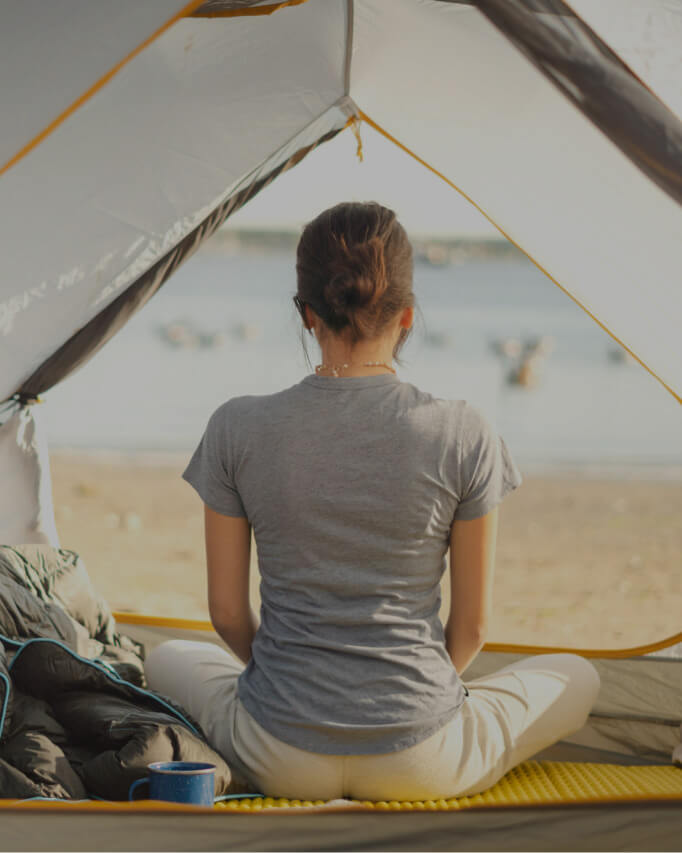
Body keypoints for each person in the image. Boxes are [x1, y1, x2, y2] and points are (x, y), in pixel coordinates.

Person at [145, 201, 600, 801]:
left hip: (277, 753)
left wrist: (292, 685)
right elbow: (474, 625)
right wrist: (408, 701)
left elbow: (227, 614)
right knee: (582, 677)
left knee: (164, 659)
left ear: (307, 314)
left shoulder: (237, 426)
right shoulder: (464, 431)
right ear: (408, 315)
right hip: (424, 758)